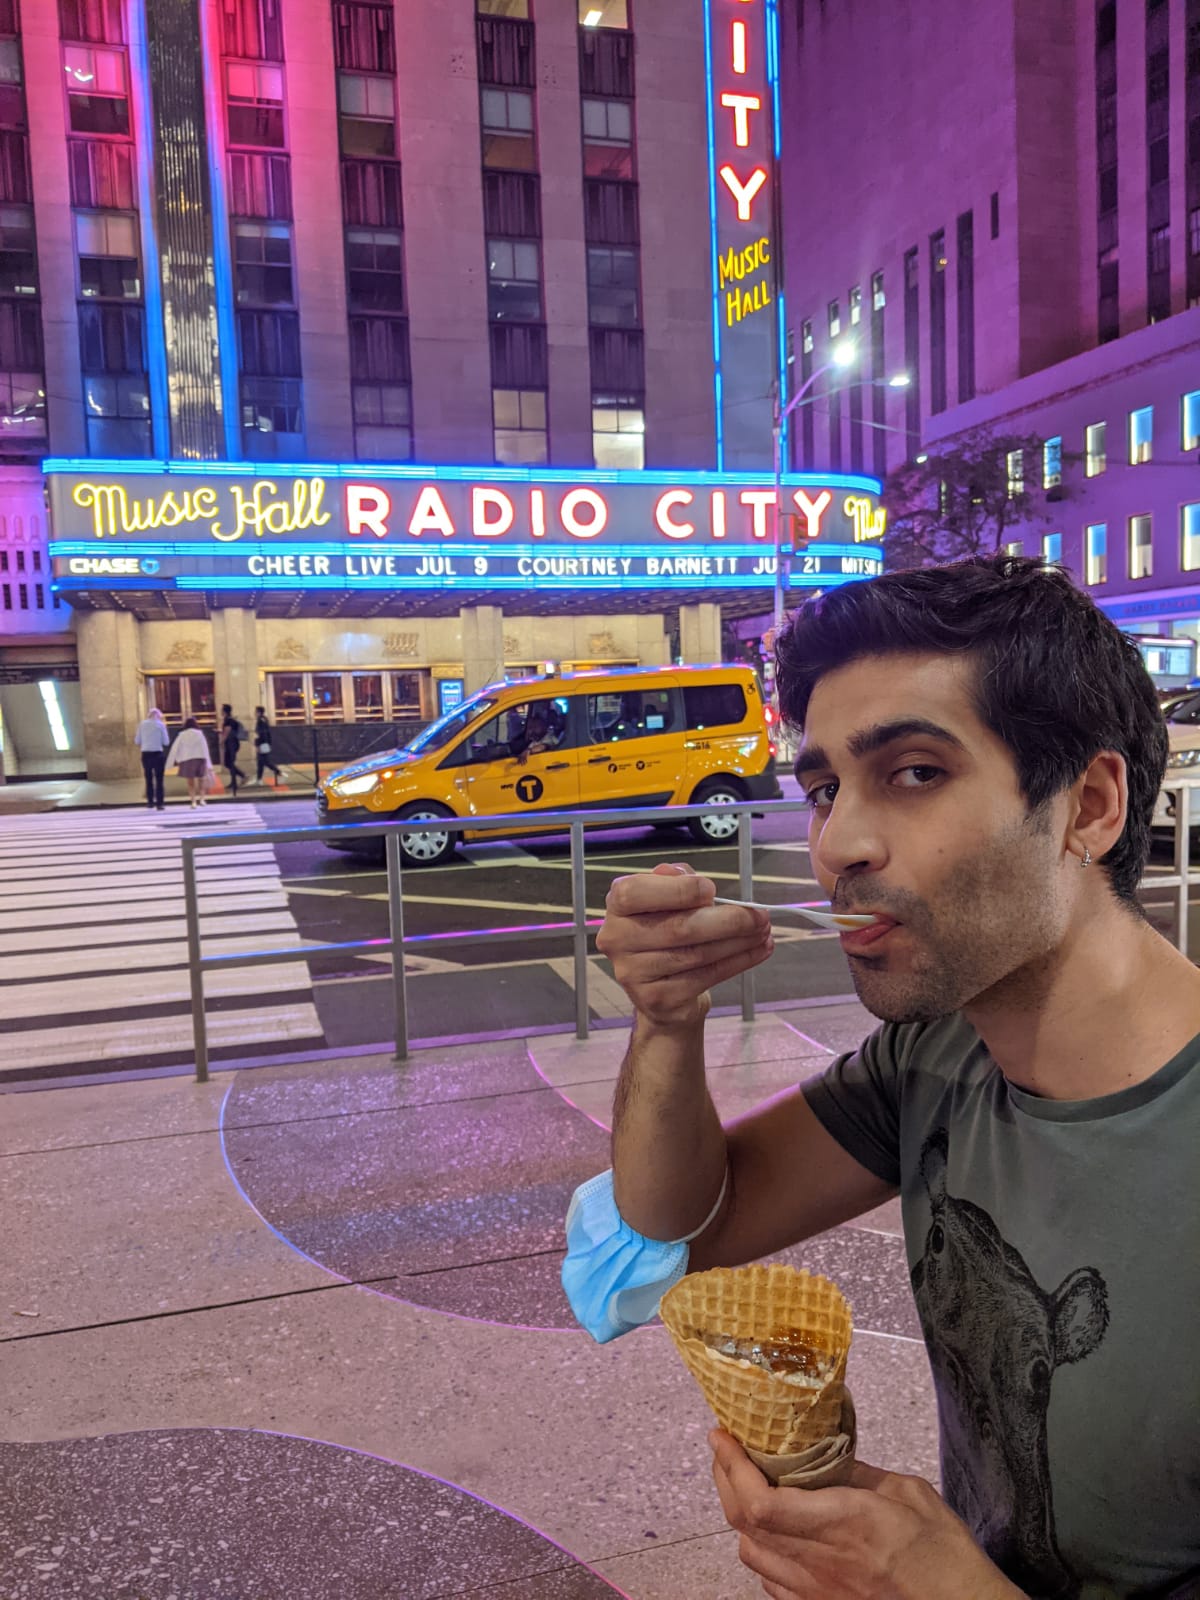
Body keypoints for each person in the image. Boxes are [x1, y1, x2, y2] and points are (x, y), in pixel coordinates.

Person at [576, 556, 1199, 1598]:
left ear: (1088, 806)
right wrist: (667, 1021)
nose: (837, 844)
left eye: (914, 772)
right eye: (824, 788)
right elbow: (683, 1220)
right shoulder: (936, 1056)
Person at [167, 716, 212, 808]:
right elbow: (204, 747)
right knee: (201, 780)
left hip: (187, 759)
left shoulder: (182, 735)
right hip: (200, 757)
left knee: (190, 782)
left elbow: (175, 748)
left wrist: (175, 760)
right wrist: (208, 762)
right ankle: (202, 799)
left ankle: (193, 801)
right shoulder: (200, 734)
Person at [133, 705, 171, 810]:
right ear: (158, 716)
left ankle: (150, 802)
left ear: (148, 715)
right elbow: (166, 742)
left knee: (148, 778)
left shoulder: (142, 724)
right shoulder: (160, 725)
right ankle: (160, 803)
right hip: (158, 754)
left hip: (146, 754)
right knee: (159, 779)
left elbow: (137, 741)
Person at [253, 704, 283, 786]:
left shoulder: (260, 721)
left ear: (259, 712)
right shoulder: (264, 719)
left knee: (264, 761)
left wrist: (259, 744)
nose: (254, 713)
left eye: (255, 711)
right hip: (265, 743)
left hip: (263, 743)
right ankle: (259, 779)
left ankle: (279, 773)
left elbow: (262, 733)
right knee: (261, 762)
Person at [220, 703, 248, 796]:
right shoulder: (230, 720)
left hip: (231, 744)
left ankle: (240, 777)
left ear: (225, 711)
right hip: (233, 743)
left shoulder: (228, 720)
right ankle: (237, 779)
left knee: (229, 763)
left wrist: (222, 741)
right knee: (229, 763)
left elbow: (227, 731)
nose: (221, 711)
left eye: (222, 710)